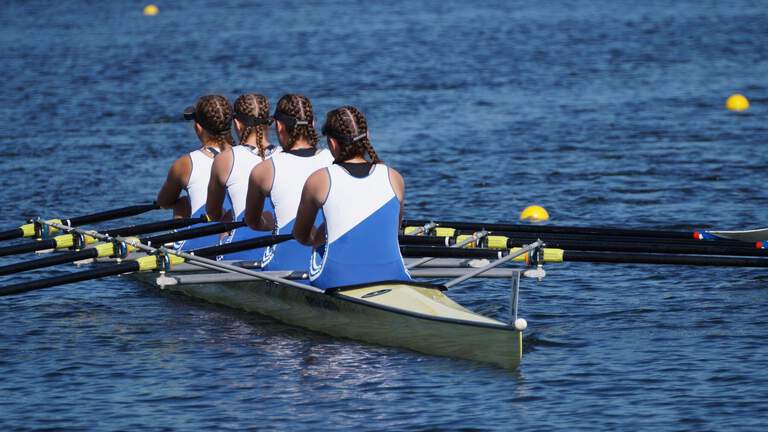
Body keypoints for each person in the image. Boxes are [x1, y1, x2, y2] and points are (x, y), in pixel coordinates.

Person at [292, 106, 410, 289]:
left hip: (337, 281)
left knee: (321, 243)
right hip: (395, 277)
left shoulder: (319, 179)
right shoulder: (394, 177)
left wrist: (322, 236)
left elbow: (300, 235)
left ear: (332, 143)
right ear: (367, 136)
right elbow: (394, 230)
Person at [244, 94, 333, 271]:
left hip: (283, 264)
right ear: (312, 124)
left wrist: (269, 223)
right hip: (327, 261)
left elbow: (252, 222)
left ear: (279, 126)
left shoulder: (263, 170)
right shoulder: (333, 160)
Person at [206, 93, 278, 261]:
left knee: (225, 227)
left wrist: (228, 215)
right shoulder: (284, 155)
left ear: (237, 124)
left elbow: (213, 213)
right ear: (270, 122)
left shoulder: (225, 159)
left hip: (238, 251)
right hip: (279, 249)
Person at [156, 95, 233, 250]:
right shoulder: (249, 157)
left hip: (199, 247)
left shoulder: (185, 164)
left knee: (182, 203)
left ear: (198, 127)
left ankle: (179, 244)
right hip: (232, 240)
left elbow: (163, 202)